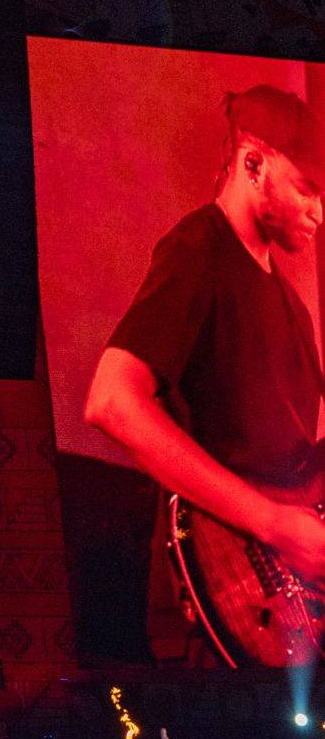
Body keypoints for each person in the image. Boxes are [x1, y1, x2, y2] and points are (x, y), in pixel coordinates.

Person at [84, 87, 325, 656]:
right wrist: (274, 525)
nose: (318, 211)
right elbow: (112, 401)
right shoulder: (199, 249)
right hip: (220, 586)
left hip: (289, 593)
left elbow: (294, 463)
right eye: (306, 188)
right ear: (253, 165)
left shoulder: (293, 306)